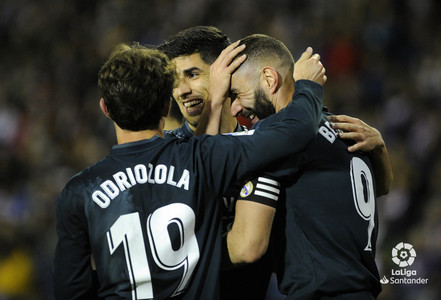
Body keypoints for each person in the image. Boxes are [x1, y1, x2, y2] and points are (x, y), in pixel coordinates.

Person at [52, 42, 327, 299]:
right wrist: (306, 85)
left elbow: (70, 291)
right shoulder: (200, 158)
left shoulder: (79, 191)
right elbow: (296, 129)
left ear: (105, 108)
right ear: (166, 105)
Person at [203, 34, 393, 299]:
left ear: (269, 79)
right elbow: (380, 188)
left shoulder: (281, 141)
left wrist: (190, 260)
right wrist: (381, 148)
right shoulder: (342, 128)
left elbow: (207, 167)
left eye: (236, 94)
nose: (234, 108)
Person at [157, 26, 277, 299]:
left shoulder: (261, 147)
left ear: (225, 71)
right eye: (175, 80)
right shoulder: (164, 152)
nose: (182, 90)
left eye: (192, 74)